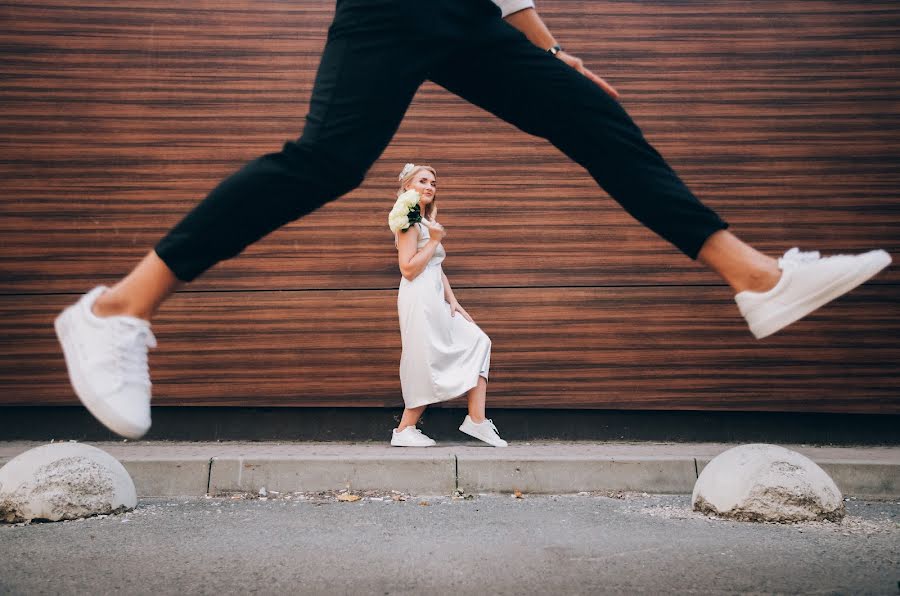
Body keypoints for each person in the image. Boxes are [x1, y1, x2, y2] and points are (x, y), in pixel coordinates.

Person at [55, 0, 891, 440]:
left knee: (594, 119)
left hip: (467, 9)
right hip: (393, 3)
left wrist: (555, 56)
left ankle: (757, 279)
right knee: (329, 161)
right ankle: (116, 308)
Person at [390, 164, 506, 448]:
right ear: (408, 186)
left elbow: (436, 267)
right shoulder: (406, 222)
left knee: (479, 341)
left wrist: (453, 300)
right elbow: (408, 269)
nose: (430, 186)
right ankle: (404, 429)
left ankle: (476, 421)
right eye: (423, 181)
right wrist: (435, 241)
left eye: (433, 182)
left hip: (434, 295)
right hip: (418, 298)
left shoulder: (424, 222)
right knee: (424, 358)